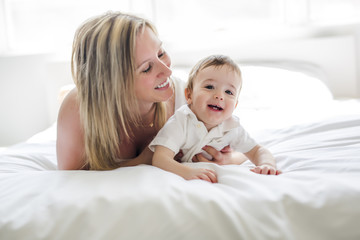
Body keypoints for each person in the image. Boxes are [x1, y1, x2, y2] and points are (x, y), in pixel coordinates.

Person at [56, 12, 242, 170]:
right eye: (147, 68)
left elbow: (244, 150)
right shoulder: (77, 109)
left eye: (161, 53)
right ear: (115, 83)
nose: (168, 71)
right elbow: (73, 178)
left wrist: (227, 159)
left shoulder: (190, 100)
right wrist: (141, 161)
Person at [150, 55, 281, 183]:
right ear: (189, 95)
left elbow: (257, 150)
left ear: (235, 105)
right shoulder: (181, 120)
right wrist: (187, 172)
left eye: (229, 92)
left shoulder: (232, 126)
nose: (219, 96)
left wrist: (267, 165)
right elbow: (160, 158)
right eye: (209, 87)